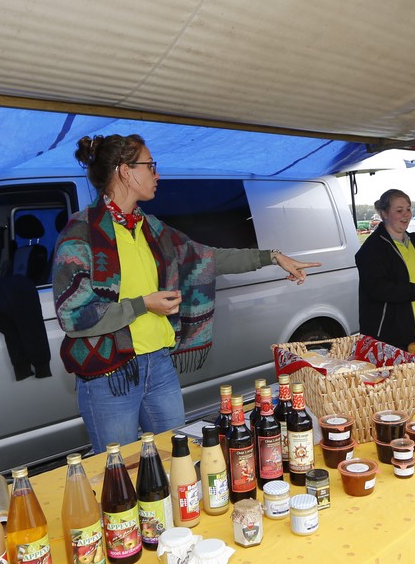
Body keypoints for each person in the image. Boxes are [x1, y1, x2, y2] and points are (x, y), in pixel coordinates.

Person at [52, 134, 319, 448]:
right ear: (125, 171)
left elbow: (207, 258)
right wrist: (142, 304)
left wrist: (272, 257)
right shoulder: (81, 233)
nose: (157, 174)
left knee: (175, 456)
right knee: (119, 468)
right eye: (150, 165)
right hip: (110, 375)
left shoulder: (151, 228)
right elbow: (72, 314)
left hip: (159, 366)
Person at [355, 189, 415, 350]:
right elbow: (377, 288)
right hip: (388, 338)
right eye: (399, 210)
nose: (406, 214)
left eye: (408, 209)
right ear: (384, 214)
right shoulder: (372, 248)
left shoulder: (411, 241)